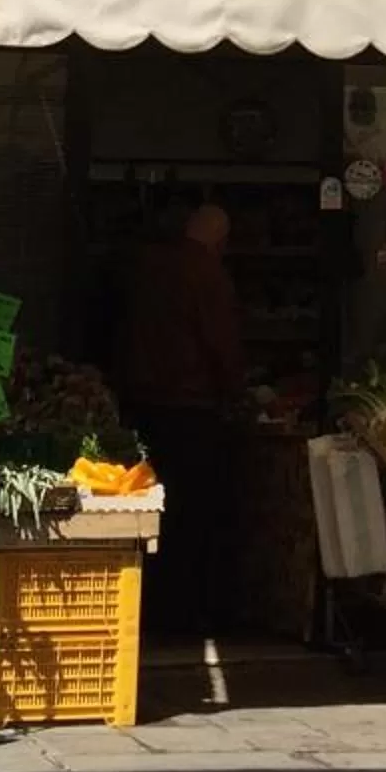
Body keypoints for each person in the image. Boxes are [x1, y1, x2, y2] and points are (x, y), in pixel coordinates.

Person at [117, 203, 246, 638]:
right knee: (190, 515)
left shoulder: (147, 268)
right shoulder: (207, 274)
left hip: (145, 401)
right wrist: (236, 391)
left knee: (149, 503)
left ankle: (148, 607)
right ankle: (182, 613)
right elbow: (221, 342)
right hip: (191, 406)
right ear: (219, 240)